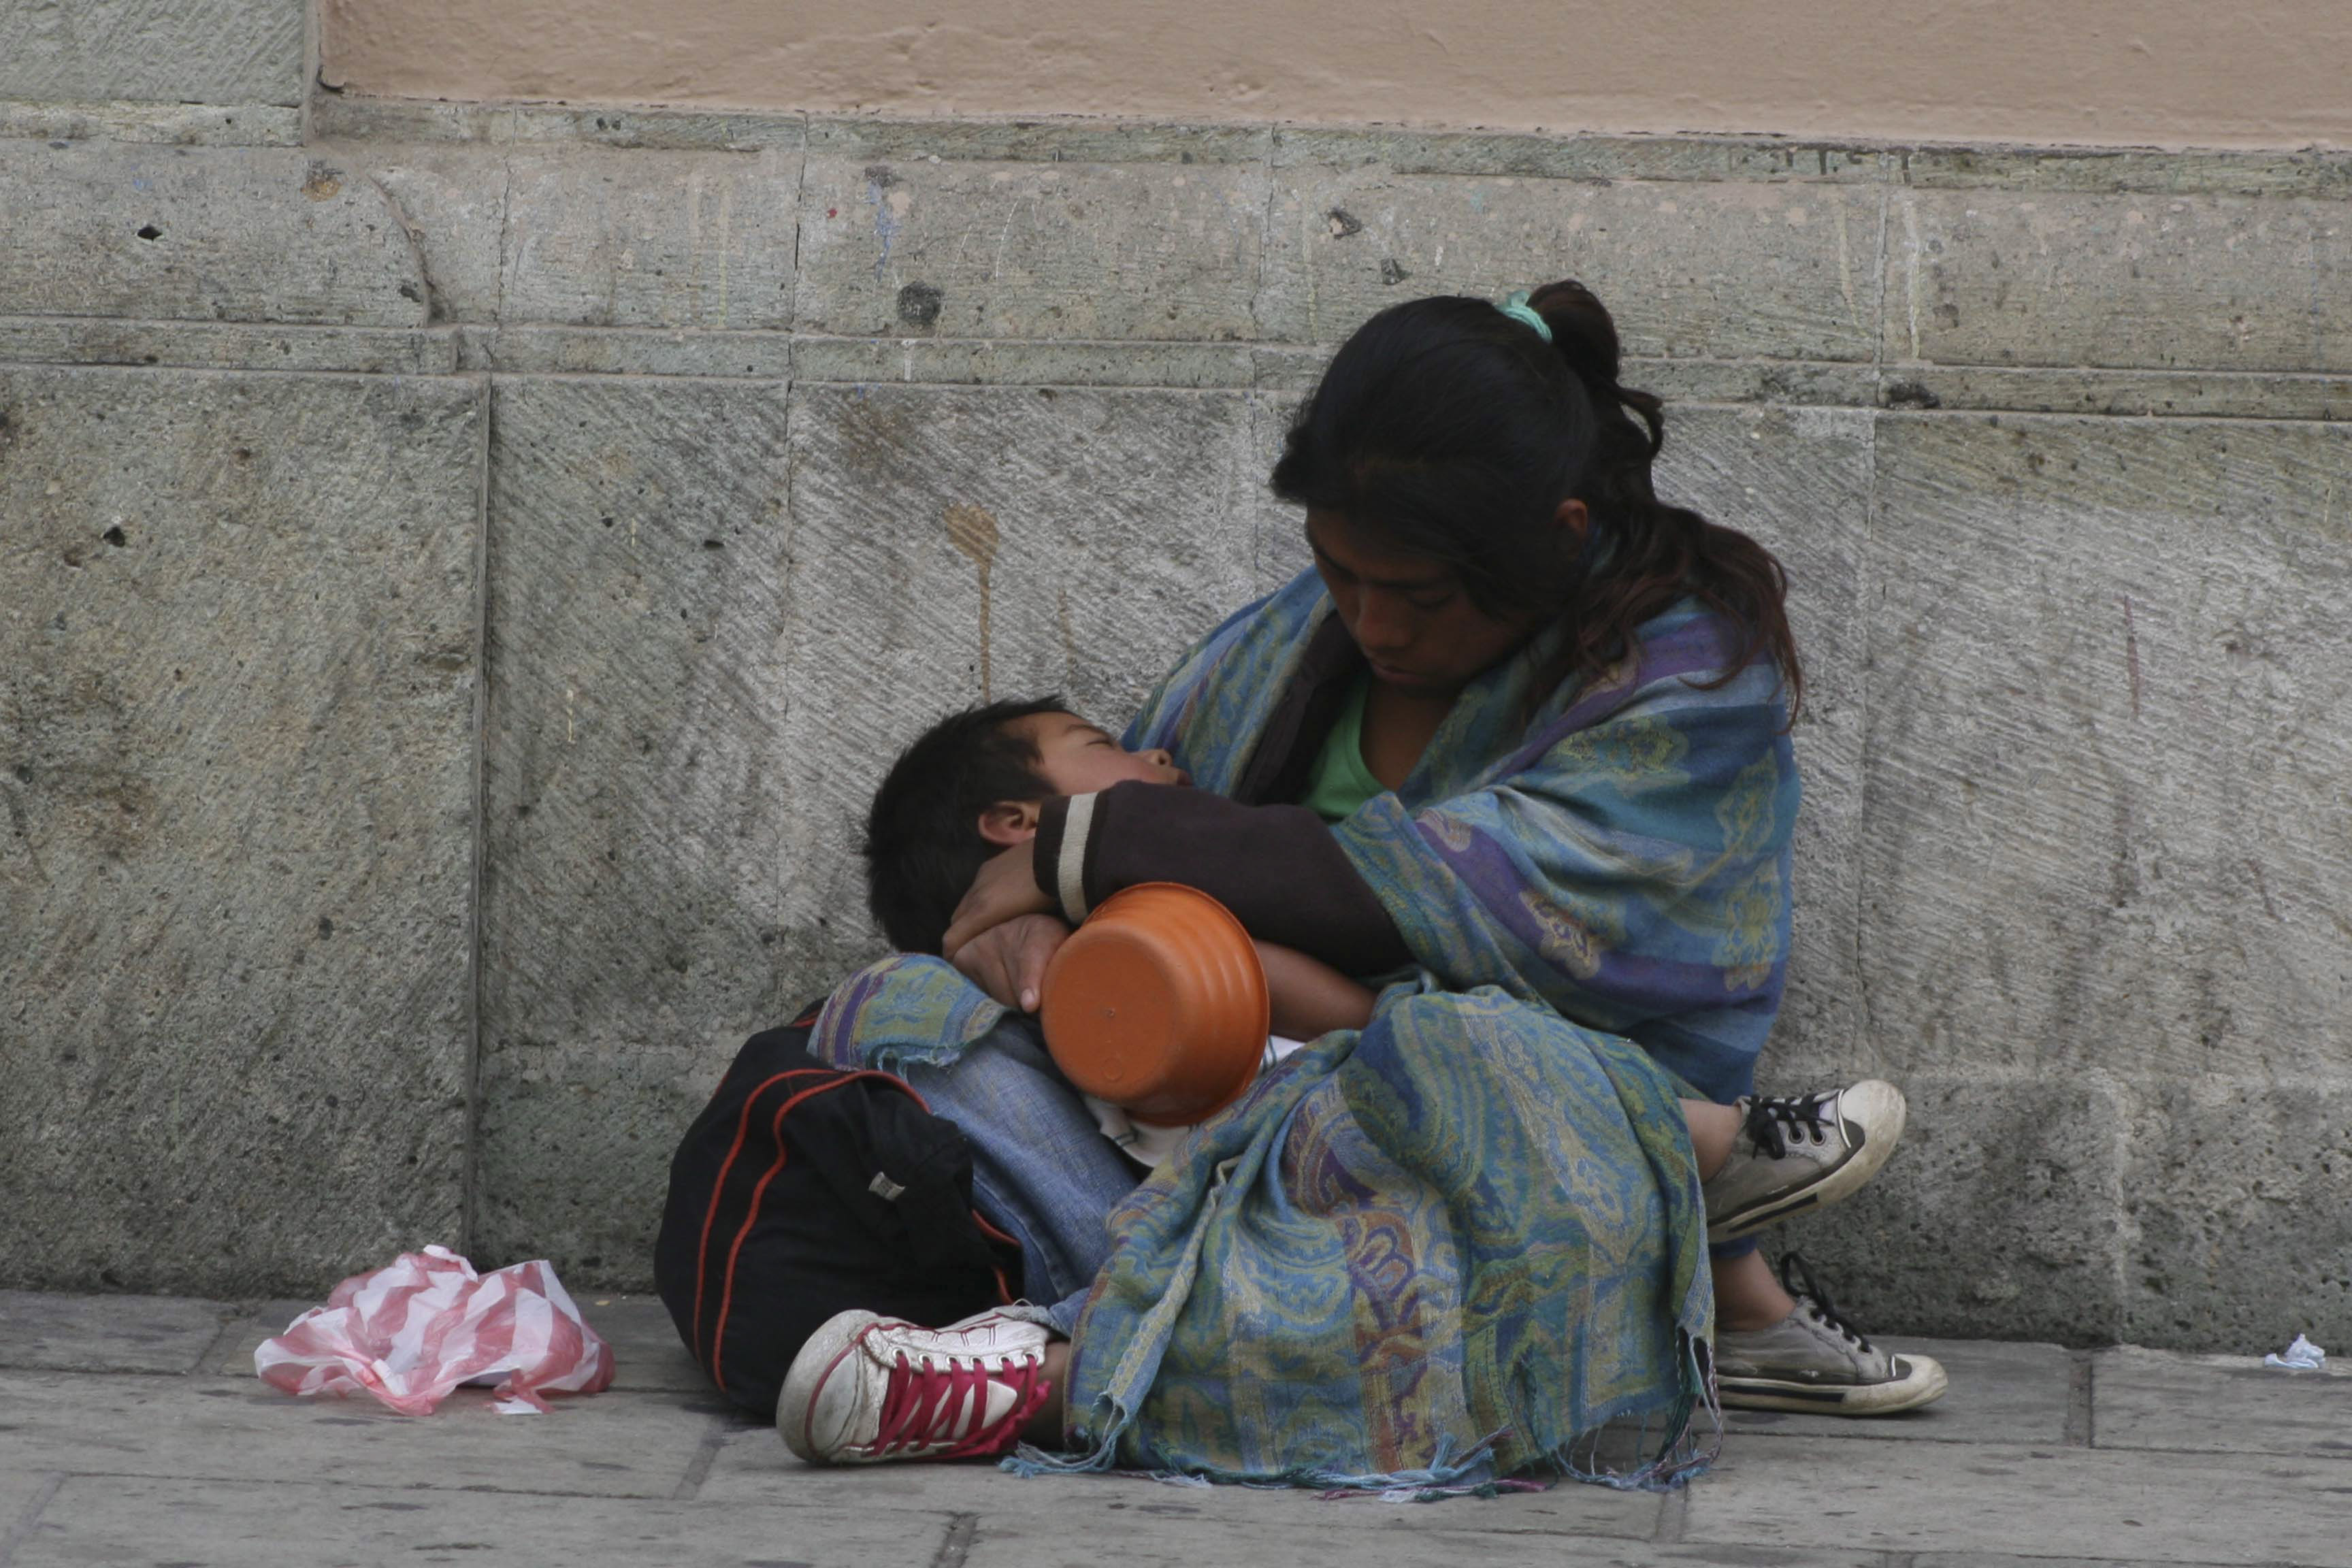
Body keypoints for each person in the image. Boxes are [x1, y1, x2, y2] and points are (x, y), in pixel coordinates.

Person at [780, 282, 1945, 1482]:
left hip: (1501, 1170)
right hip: (1220, 1123)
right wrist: (1026, 943)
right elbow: (1130, 890)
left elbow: (1413, 892)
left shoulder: (1687, 687)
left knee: (1453, 1108)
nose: (1373, 622)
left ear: (1559, 530)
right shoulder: (1296, 644)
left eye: (1421, 596)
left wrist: (1098, 855)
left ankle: (1050, 1379)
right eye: (1338, 572)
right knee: (899, 1018)